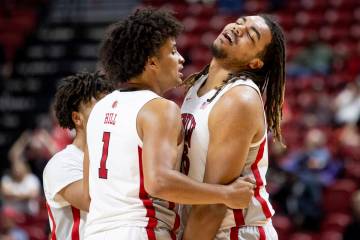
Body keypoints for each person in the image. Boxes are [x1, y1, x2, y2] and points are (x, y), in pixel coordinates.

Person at [84, 8, 255, 240]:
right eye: (173, 51)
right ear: (152, 62)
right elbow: (159, 181)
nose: (181, 58)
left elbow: (88, 192)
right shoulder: (159, 108)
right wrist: (225, 194)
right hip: (142, 230)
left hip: (94, 231)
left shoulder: (99, 109)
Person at [180, 14, 286, 240]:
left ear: (255, 63)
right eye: (240, 22)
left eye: (251, 34)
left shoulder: (240, 99)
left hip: (235, 231)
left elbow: (215, 203)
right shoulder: (199, 85)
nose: (238, 29)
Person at [42, 72, 113, 239]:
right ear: (77, 118)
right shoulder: (62, 163)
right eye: (101, 105)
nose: (109, 112)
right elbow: (93, 203)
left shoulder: (116, 156)